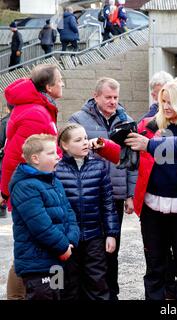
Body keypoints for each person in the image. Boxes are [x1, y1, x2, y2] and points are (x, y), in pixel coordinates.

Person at [96, 77, 177, 300]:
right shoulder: (148, 126)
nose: (165, 106)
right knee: (155, 266)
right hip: (152, 209)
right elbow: (129, 157)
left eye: (171, 102)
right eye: (163, 101)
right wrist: (104, 147)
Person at [69, 77, 137, 300]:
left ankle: (110, 292)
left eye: (116, 97)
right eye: (108, 97)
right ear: (96, 95)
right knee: (86, 248)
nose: (113, 102)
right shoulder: (78, 120)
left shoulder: (126, 121)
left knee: (111, 249)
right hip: (87, 194)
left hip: (115, 196)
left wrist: (130, 194)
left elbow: (133, 161)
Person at [1, 63, 65, 300]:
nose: (63, 84)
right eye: (60, 80)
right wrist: (7, 193)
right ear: (48, 87)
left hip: (33, 187)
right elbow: (14, 156)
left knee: (30, 247)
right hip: (32, 189)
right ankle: (17, 296)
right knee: (31, 249)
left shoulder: (38, 107)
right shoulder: (36, 113)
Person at [9, 134, 79, 300]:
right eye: (51, 153)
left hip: (56, 261)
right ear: (35, 158)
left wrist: (70, 240)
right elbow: (40, 225)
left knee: (57, 294)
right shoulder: (25, 186)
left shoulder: (54, 181)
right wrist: (62, 246)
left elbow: (69, 213)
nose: (57, 156)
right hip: (37, 265)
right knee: (43, 296)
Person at [55, 123, 119, 300]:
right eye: (78, 140)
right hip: (67, 239)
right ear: (65, 145)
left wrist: (111, 233)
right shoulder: (56, 170)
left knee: (97, 280)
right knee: (68, 284)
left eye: (85, 138)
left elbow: (108, 203)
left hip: (94, 236)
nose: (84, 142)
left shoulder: (99, 167)